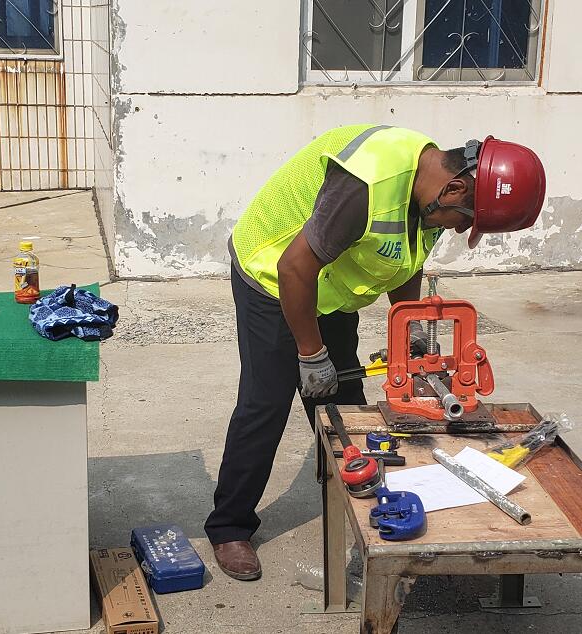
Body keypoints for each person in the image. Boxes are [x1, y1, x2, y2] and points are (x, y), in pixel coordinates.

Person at [205, 124, 546, 580]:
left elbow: (408, 256)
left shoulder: (430, 192)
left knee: (342, 402)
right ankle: (230, 526)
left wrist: (410, 326)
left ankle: (351, 490)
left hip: (329, 284)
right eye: (464, 219)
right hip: (275, 275)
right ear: (454, 188)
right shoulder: (368, 183)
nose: (461, 228)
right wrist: (310, 353)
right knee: (266, 402)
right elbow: (294, 268)